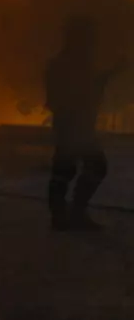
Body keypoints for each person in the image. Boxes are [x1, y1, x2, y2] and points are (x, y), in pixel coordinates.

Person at [45, 15, 128, 231]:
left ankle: (68, 214)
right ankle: (67, 215)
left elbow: (90, 88)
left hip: (77, 127)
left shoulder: (72, 64)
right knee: (73, 169)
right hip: (73, 127)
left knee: (73, 169)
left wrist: (111, 73)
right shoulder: (65, 65)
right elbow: (65, 97)